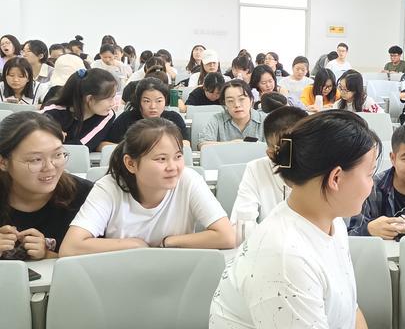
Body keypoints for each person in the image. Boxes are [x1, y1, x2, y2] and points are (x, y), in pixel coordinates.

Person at [207, 111, 379, 329]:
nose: (372, 185)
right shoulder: (285, 257)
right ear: (336, 178)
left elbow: (350, 311)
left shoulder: (331, 223)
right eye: (369, 174)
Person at [61, 119, 234, 255]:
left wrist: (168, 242)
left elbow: (227, 236)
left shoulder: (188, 180)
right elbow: (70, 247)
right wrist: (134, 246)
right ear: (131, 164)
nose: (173, 167)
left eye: (178, 156)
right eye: (161, 159)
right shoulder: (109, 187)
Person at [0, 113, 93, 259]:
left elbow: (105, 261)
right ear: (3, 162)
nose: (50, 167)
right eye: (36, 159)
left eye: (58, 155)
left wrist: (48, 254)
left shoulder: (87, 196)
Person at [230, 106, 307, 224]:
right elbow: (241, 222)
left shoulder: (322, 170)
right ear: (271, 154)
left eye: (304, 146)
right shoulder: (256, 169)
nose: (299, 154)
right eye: (287, 150)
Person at [42, 69, 117, 152]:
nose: (113, 103)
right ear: (90, 99)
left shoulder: (107, 115)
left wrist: (54, 141)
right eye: (110, 98)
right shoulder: (53, 111)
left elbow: (81, 147)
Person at [104, 77, 188, 146]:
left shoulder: (174, 118)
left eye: (159, 101)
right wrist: (130, 148)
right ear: (138, 101)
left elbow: (186, 143)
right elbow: (103, 145)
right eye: (147, 101)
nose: (153, 106)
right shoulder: (126, 118)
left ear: (165, 100)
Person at [198, 79, 265, 147]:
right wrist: (233, 144)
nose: (237, 105)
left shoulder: (265, 120)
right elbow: (202, 144)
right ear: (225, 104)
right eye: (230, 101)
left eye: (241, 99)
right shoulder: (217, 119)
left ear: (251, 100)